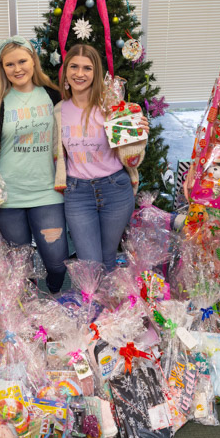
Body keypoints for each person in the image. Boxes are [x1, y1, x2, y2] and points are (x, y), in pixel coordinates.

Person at [0, 36, 68, 295]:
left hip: (48, 192)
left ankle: (53, 296)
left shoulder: (54, 96)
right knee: (20, 268)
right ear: (2, 68)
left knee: (58, 262)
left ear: (33, 61)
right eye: (9, 64)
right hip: (8, 198)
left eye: (22, 61)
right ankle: (30, 313)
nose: (17, 69)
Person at [54, 43, 149, 270]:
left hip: (115, 188)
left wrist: (138, 135)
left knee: (108, 258)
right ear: (65, 71)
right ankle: (93, 302)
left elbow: (132, 158)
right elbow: (56, 154)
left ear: (96, 73)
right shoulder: (58, 111)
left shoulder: (112, 107)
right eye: (74, 67)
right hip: (78, 194)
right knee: (90, 263)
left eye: (87, 68)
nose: (79, 74)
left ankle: (106, 306)